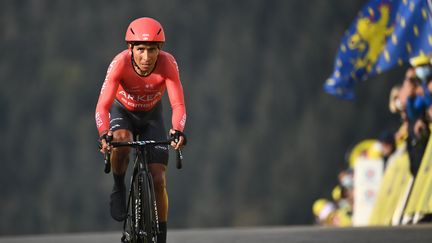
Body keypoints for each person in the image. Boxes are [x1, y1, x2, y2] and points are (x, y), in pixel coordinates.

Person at [95, 17, 187, 243]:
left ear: (160, 50)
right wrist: (104, 134)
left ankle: (162, 237)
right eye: (141, 50)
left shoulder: (168, 64)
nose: (147, 57)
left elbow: (178, 105)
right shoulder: (120, 63)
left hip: (151, 117)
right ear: (131, 48)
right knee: (122, 140)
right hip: (122, 113)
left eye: (152, 50)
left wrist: (178, 130)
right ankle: (118, 186)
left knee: (158, 180)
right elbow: (102, 106)